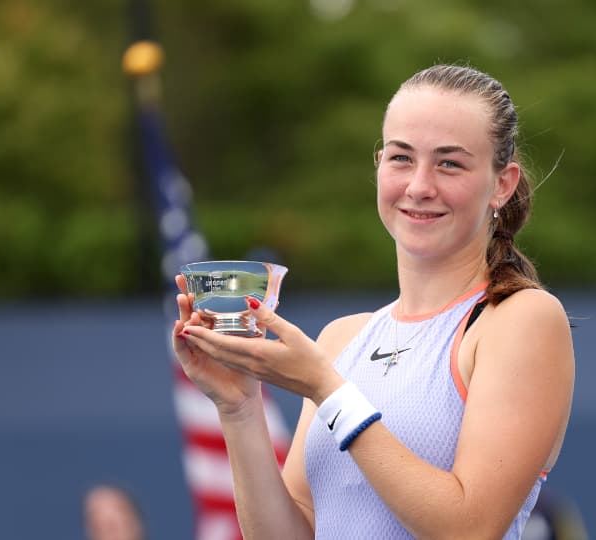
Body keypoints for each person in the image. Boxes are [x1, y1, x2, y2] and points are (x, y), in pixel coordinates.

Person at [173, 64, 575, 539]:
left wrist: (329, 390)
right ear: (379, 164)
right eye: (402, 158)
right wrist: (239, 408)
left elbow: (467, 530)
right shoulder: (342, 338)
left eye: (450, 163)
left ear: (502, 184)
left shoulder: (521, 319)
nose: (420, 185)